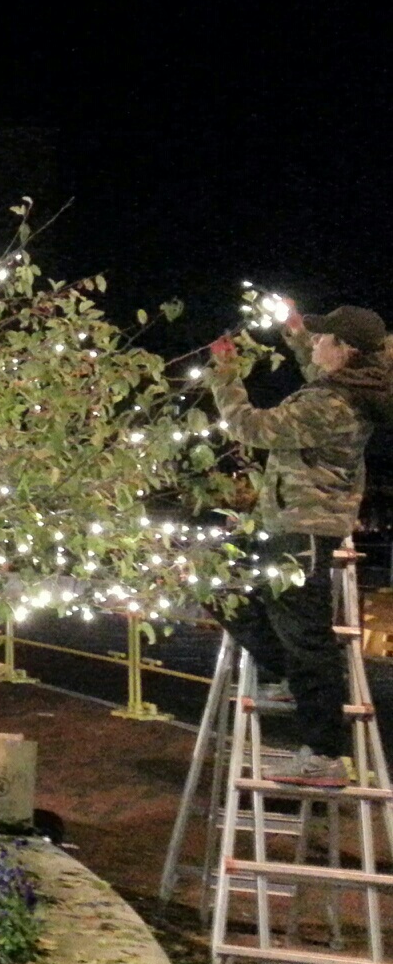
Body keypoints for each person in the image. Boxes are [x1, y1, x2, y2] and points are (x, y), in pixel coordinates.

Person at [208, 302, 393, 779]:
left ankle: (326, 755)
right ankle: (289, 678)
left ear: (345, 351)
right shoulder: (350, 385)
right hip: (292, 522)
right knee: (223, 583)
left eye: (322, 338)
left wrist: (224, 374)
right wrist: (295, 333)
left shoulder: (331, 403)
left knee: (306, 638)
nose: (316, 344)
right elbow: (315, 368)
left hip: (303, 527)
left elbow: (250, 427)